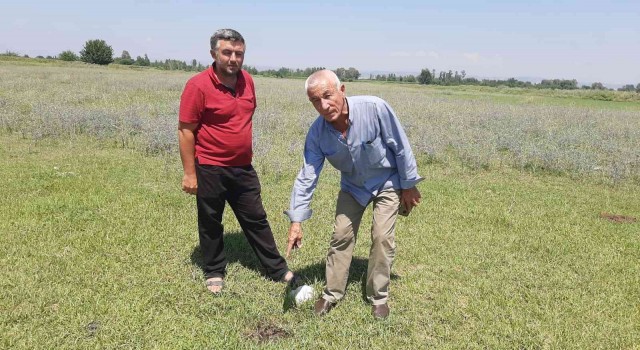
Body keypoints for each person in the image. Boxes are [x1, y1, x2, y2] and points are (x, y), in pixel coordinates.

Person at [284, 70, 422, 319]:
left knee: (382, 237)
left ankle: (378, 297)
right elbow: (307, 175)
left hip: (386, 181)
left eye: (327, 95)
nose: (324, 106)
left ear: (342, 90)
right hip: (353, 186)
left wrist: (408, 185)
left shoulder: (374, 108)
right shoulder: (317, 133)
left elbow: (400, 146)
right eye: (316, 100)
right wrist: (296, 220)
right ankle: (331, 293)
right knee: (341, 235)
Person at [178, 28, 297, 294]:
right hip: (209, 165)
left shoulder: (248, 82)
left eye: (239, 53)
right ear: (214, 54)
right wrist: (190, 173)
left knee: (256, 219)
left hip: (243, 167)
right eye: (227, 52)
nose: (233, 58)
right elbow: (186, 130)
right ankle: (214, 270)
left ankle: (276, 268)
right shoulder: (197, 85)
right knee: (210, 220)